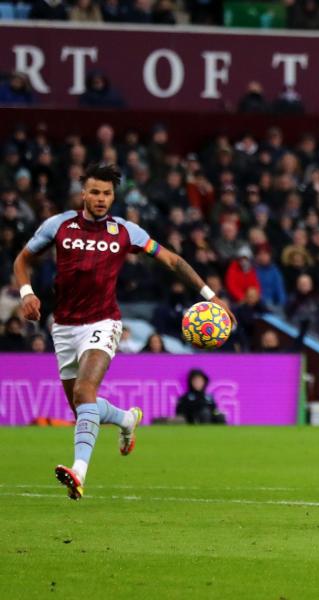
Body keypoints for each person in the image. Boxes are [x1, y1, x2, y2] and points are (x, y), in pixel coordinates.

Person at [12, 163, 235, 501]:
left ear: (113, 196)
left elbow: (172, 261)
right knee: (82, 408)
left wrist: (210, 295)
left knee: (86, 392)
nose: (101, 199)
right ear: (84, 193)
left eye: (107, 193)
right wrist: (27, 292)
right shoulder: (58, 226)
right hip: (64, 326)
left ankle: (79, 472)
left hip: (104, 322)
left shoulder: (126, 232)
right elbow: (22, 260)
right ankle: (127, 419)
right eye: (95, 192)